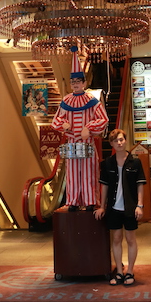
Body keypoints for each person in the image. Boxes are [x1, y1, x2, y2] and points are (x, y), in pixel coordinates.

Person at [51, 46, 109, 211]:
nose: (75, 84)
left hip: (87, 143)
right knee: (72, 173)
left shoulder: (91, 100)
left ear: (84, 83)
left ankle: (90, 201)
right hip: (72, 144)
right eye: (73, 82)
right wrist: (63, 124)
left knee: (89, 172)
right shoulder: (66, 100)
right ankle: (73, 201)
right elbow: (56, 120)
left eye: (78, 82)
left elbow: (103, 119)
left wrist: (89, 127)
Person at [94, 129, 146, 286]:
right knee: (116, 239)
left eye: (121, 139)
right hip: (113, 208)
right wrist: (102, 206)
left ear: (126, 141)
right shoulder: (107, 163)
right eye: (116, 140)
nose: (119, 143)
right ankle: (118, 271)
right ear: (111, 143)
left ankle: (130, 271)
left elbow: (140, 185)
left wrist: (140, 205)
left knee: (131, 239)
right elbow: (104, 186)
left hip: (130, 208)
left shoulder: (135, 162)